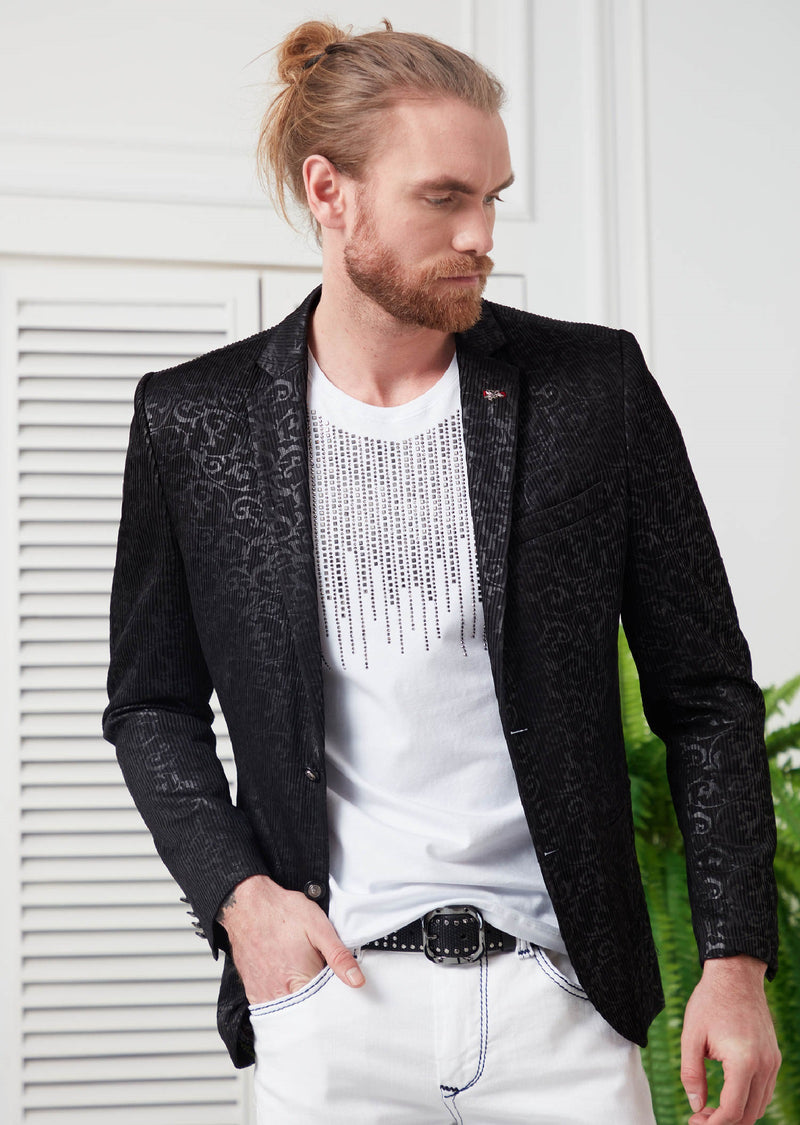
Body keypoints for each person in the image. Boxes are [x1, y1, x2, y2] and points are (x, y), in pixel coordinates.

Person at [104, 19, 780, 1125]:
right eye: (443, 198)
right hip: (330, 1007)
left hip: (562, 1004)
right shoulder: (196, 419)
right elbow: (150, 704)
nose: (481, 235)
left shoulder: (591, 390)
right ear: (330, 192)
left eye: (493, 198)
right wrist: (239, 897)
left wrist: (734, 960)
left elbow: (704, 692)